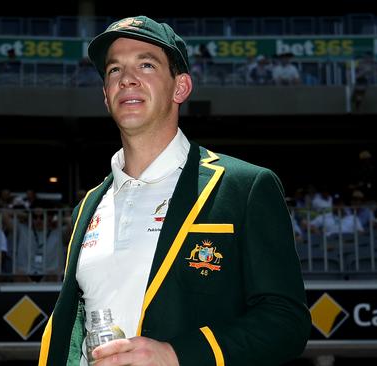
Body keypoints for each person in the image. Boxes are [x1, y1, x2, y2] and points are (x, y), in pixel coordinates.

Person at [38, 15, 310, 366]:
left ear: (180, 88)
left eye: (146, 65)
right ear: (106, 96)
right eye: (114, 71)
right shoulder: (89, 206)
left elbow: (286, 323)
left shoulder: (243, 186)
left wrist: (175, 354)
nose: (127, 80)